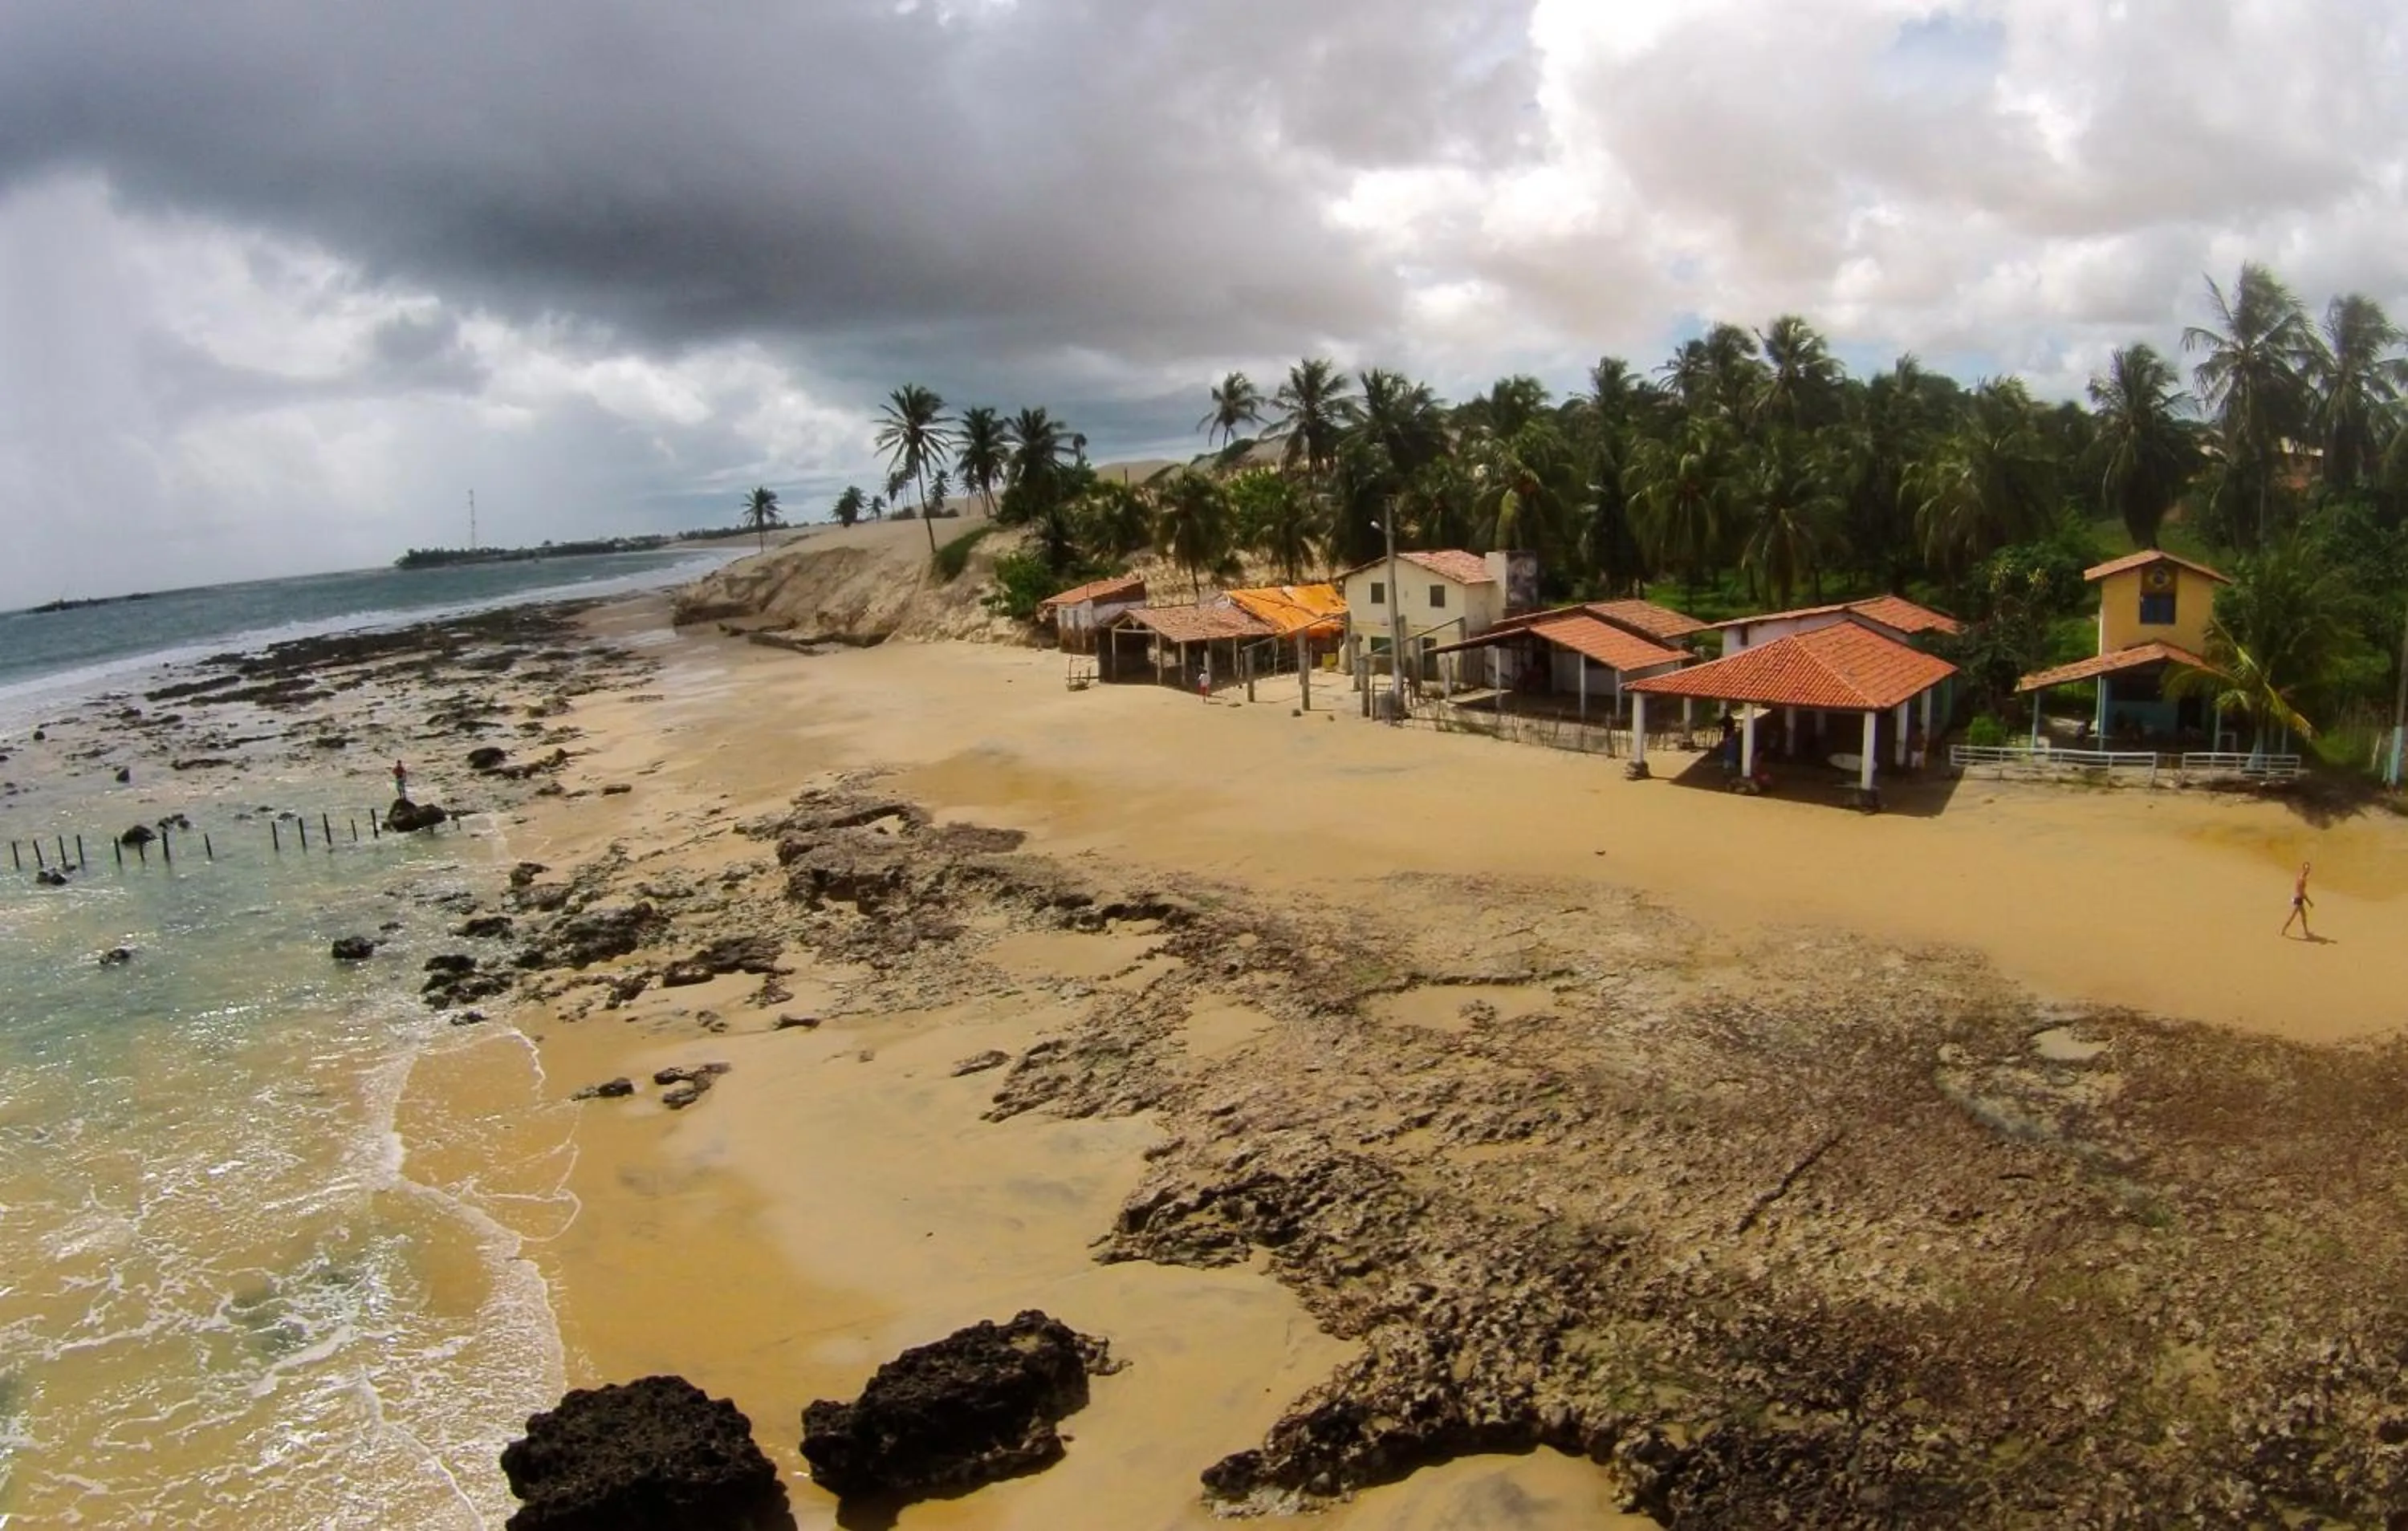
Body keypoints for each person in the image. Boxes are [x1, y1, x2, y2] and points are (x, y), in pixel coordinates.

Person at [2282, 860, 2315, 939]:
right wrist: (2309, 902)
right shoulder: (2302, 879)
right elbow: (2302, 893)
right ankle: (2283, 930)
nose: (2308, 870)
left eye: (2309, 868)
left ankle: (2306, 931)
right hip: (2298, 900)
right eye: (2307, 869)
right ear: (2304, 869)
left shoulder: (2300, 876)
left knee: (2303, 916)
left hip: (2297, 898)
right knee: (2293, 917)